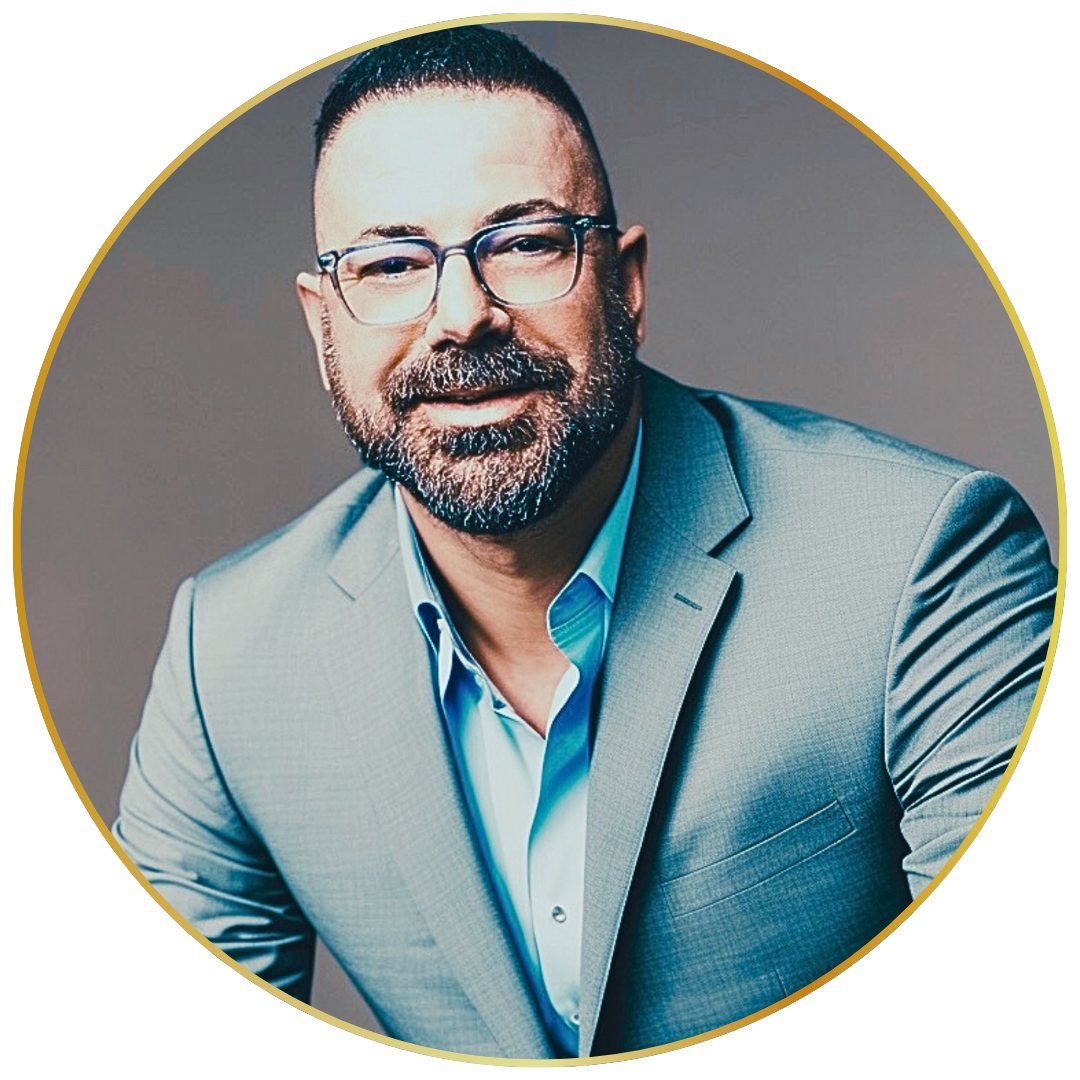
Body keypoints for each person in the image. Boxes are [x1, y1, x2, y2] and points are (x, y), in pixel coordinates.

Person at [112, 26, 1056, 1059]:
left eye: (524, 243)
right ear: (322, 323)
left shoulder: (921, 561)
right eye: (390, 264)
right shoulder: (227, 655)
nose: (461, 316)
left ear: (627, 283)